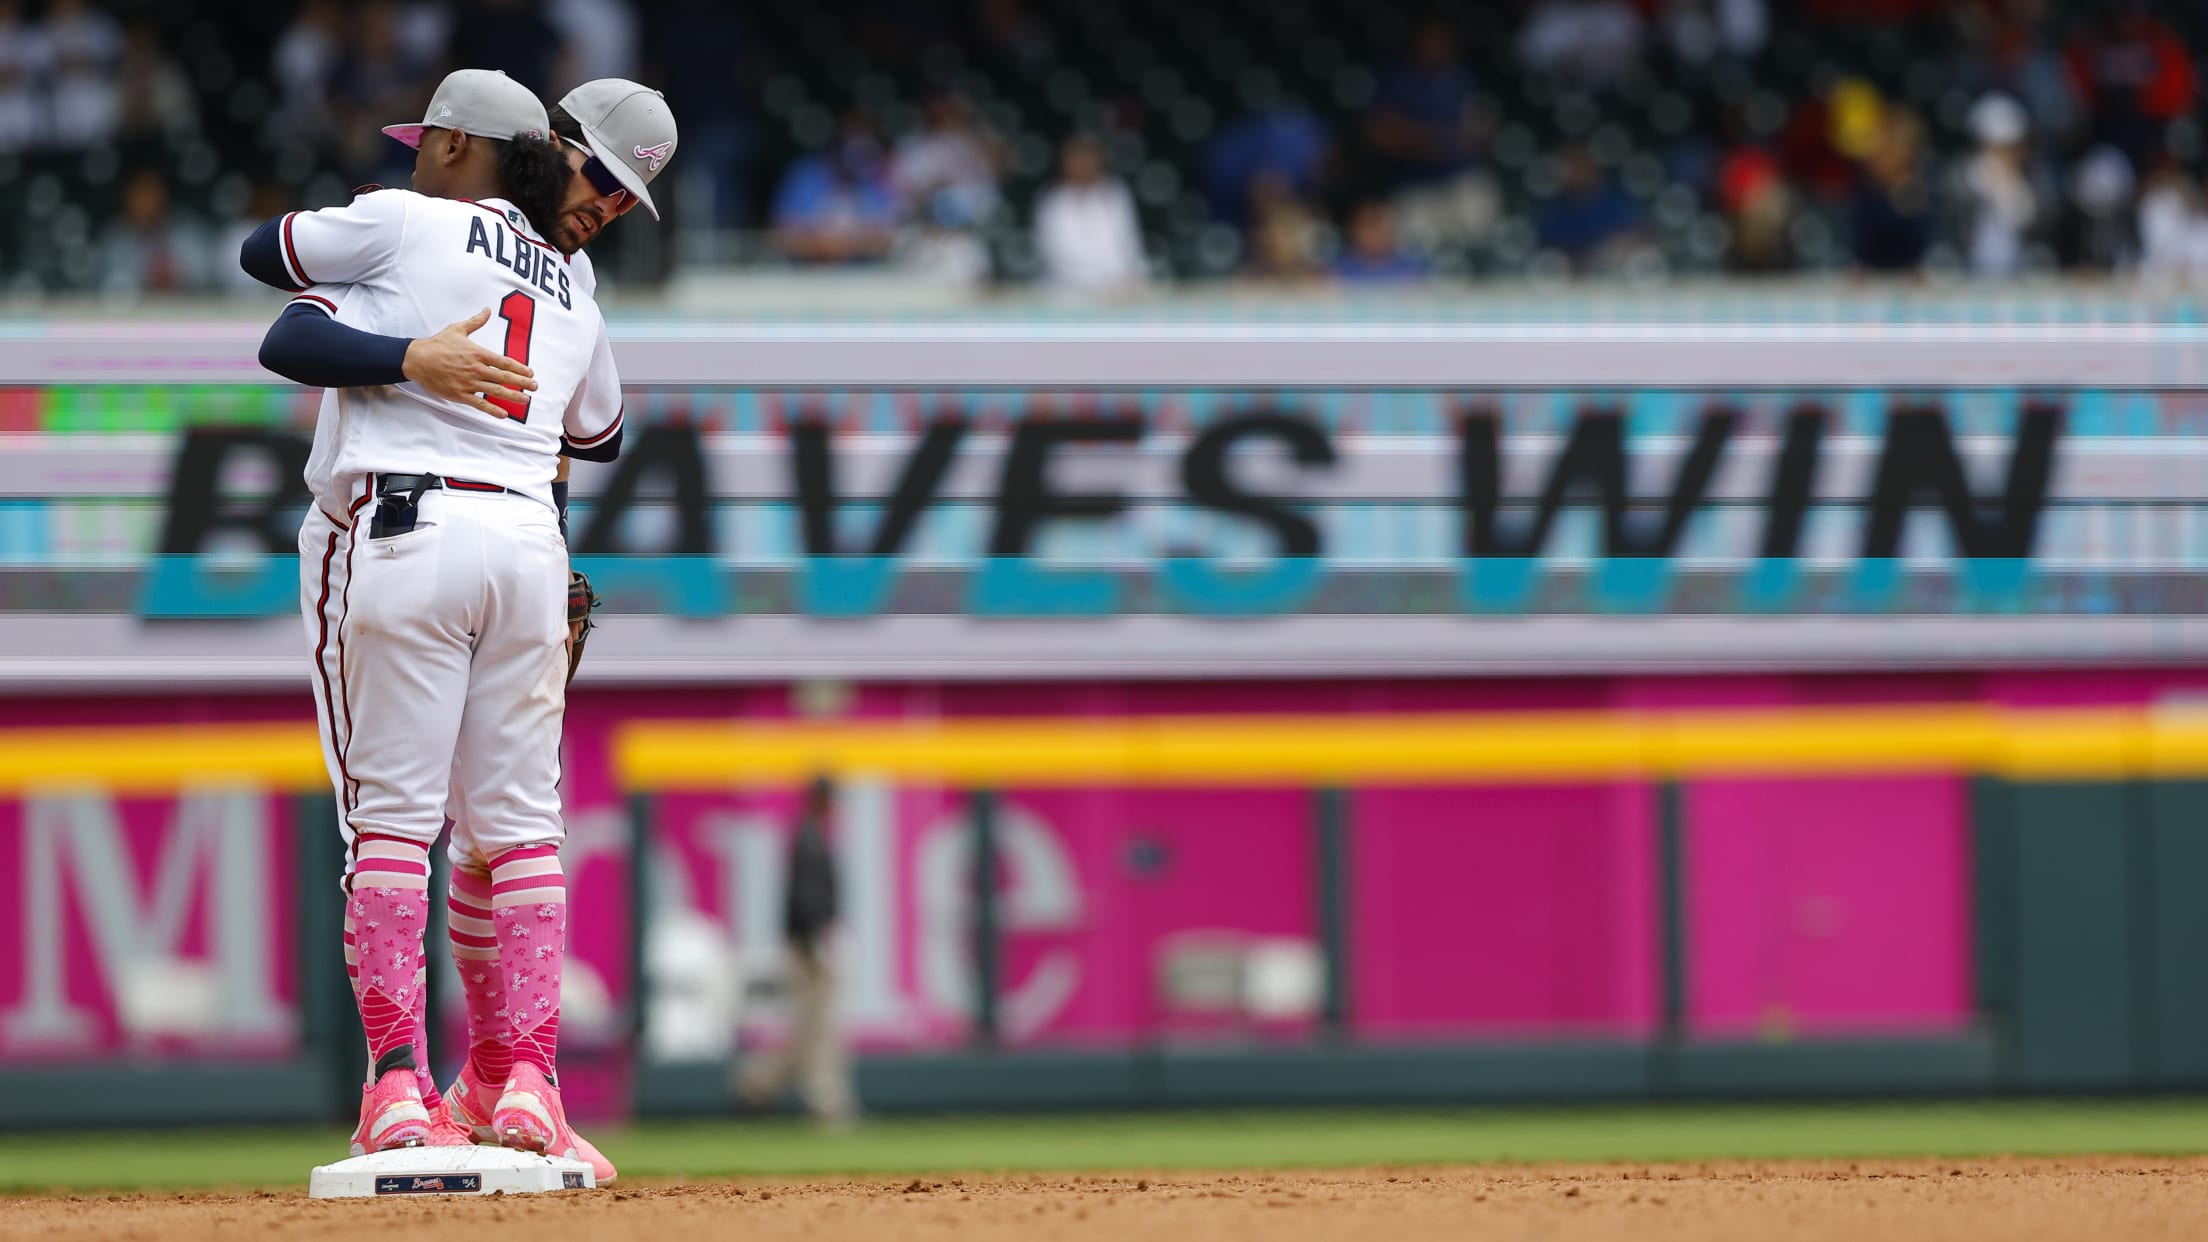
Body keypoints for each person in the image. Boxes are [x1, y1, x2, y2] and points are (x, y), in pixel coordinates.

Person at [240, 76, 675, 1183]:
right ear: (543, 150)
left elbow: (273, 293)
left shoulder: (407, 219)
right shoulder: (573, 282)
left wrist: (409, 355)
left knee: (391, 825)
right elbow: (605, 430)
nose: (604, 211)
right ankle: (525, 1082)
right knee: (522, 832)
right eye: (601, 183)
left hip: (404, 524)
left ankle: (397, 1088)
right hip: (528, 543)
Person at [734, 776, 856, 1127]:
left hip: (809, 945)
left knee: (809, 1029)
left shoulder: (812, 835)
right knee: (818, 1028)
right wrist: (816, 943)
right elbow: (806, 902)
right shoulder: (809, 838)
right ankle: (825, 1103)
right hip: (808, 949)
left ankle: (756, 1084)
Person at [1034, 133, 1147, 296]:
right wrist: (1097, 285)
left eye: (1088, 158)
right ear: (1065, 163)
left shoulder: (1116, 195)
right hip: (1067, 291)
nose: (1083, 165)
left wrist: (1122, 281)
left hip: (1118, 290)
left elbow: (1128, 245)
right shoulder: (1051, 203)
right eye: (1077, 160)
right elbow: (1058, 256)